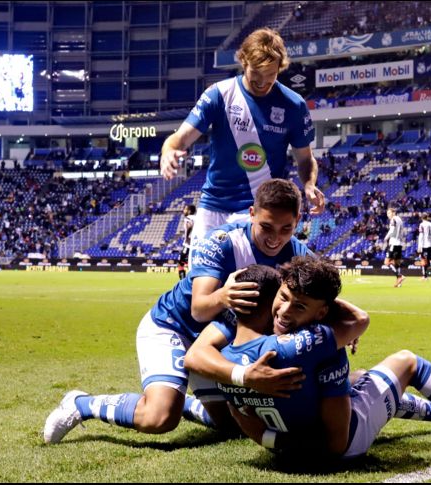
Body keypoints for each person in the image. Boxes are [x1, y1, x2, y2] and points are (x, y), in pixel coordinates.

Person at [43, 179, 310, 444]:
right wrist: (223, 296)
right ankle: (81, 403)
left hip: (214, 341)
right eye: (266, 227)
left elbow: (319, 303)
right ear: (252, 214)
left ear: (298, 220)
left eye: (286, 228)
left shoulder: (300, 256)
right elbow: (199, 310)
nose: (275, 238)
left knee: (234, 426)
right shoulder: (223, 241)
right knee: (159, 417)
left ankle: (182, 402)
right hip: (174, 327)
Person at [187, 257, 431, 459]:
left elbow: (201, 364)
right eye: (284, 297)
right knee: (407, 362)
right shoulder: (313, 341)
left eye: (298, 305)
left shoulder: (229, 346)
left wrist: (275, 441)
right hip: (343, 442)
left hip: (285, 442)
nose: (285, 311)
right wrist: (320, 308)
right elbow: (359, 320)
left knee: (360, 379)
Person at [159, 27, 325, 261]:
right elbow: (179, 139)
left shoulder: (294, 106)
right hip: (212, 208)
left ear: (280, 68)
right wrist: (168, 151)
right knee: (200, 280)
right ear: (243, 61)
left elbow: (306, 159)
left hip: (258, 212)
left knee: (250, 280)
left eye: (271, 75)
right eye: (256, 73)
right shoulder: (219, 94)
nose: (263, 82)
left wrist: (308, 184)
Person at [384, 207, 405, 287]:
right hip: (399, 244)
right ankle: (399, 283)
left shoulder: (393, 219)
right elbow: (402, 232)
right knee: (397, 263)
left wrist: (386, 238)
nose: (388, 215)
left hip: (393, 243)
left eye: (389, 213)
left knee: (387, 262)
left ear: (393, 213)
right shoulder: (400, 220)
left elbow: (391, 230)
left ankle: (400, 276)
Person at [178, 204, 196, 279]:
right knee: (192, 264)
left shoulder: (188, 218)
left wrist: (187, 237)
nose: (183, 210)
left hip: (188, 245)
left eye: (185, 209)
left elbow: (189, 226)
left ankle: (183, 281)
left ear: (189, 211)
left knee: (181, 264)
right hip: (196, 244)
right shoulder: (197, 218)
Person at [417, 213, 431, 280]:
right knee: (429, 259)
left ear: (422, 218)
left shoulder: (421, 224)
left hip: (425, 245)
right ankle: (427, 275)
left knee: (423, 260)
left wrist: (419, 246)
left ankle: (424, 276)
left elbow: (421, 235)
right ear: (427, 217)